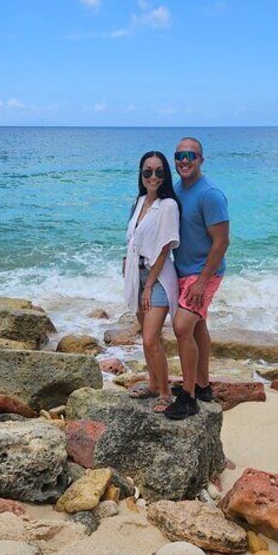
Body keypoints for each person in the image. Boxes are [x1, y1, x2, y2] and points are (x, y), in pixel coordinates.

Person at [165, 137, 230, 420]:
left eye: (190, 155)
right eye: (179, 155)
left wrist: (202, 282)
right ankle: (203, 385)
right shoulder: (175, 191)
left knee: (181, 327)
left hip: (205, 272)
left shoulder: (211, 195)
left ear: (201, 159)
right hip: (181, 271)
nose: (184, 160)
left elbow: (221, 242)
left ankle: (189, 397)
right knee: (198, 325)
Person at [124, 151, 181, 413]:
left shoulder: (168, 205)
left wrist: (148, 286)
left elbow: (165, 247)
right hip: (136, 274)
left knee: (149, 338)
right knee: (149, 337)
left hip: (156, 278)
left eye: (159, 171)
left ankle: (167, 392)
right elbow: (134, 240)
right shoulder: (139, 202)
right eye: (148, 171)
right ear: (141, 174)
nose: (153, 176)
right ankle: (154, 384)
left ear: (165, 175)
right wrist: (126, 265)